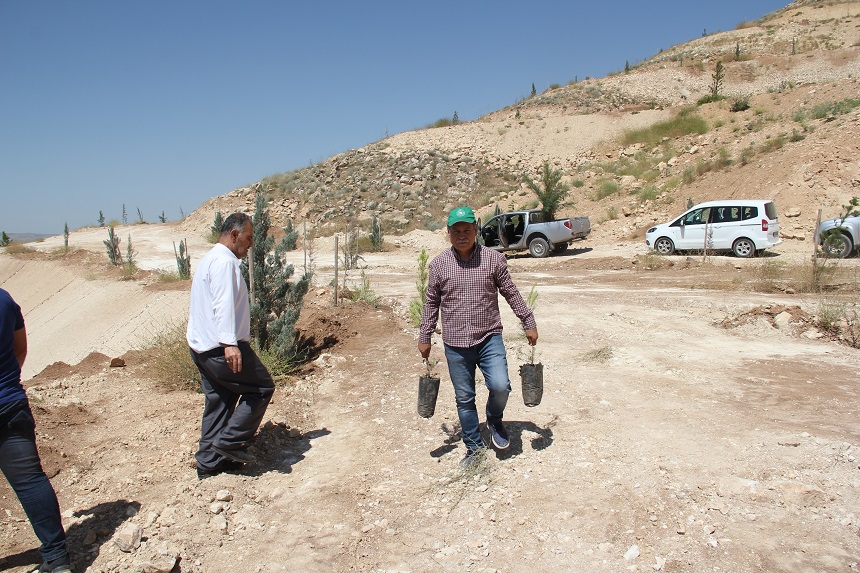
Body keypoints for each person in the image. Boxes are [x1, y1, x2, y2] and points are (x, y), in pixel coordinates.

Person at [418, 206, 538, 467]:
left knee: (500, 386)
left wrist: (528, 320)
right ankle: (473, 448)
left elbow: (511, 292)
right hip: (455, 343)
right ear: (448, 233)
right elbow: (431, 303)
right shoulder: (439, 265)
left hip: (489, 337)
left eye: (467, 230)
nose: (462, 235)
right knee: (464, 398)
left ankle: (494, 419)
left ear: (476, 230)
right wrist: (425, 335)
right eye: (456, 231)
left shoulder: (493, 259)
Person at [187, 212, 275, 479]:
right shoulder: (224, 262)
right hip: (221, 347)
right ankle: (230, 443)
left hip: (202, 348)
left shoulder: (208, 259)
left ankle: (209, 463)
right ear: (234, 234)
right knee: (261, 388)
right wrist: (230, 344)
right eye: (247, 238)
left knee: (221, 400)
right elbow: (222, 304)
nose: (250, 245)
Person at [0, 288, 73, 573]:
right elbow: (20, 349)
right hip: (10, 404)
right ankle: (57, 558)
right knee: (30, 481)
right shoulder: (5, 299)